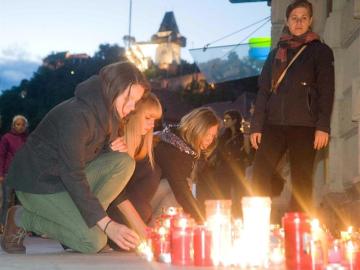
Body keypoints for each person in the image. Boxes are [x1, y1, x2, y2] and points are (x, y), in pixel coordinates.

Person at [1, 61, 150, 254]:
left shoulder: (109, 116)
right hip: (37, 184)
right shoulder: (77, 115)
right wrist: (107, 225)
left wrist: (110, 150)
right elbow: (72, 173)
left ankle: (85, 223)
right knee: (94, 242)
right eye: (128, 98)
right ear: (111, 89)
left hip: (62, 180)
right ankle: (22, 217)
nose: (131, 107)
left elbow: (91, 158)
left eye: (135, 102)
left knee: (123, 162)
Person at [250, 0, 335, 216]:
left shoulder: (320, 51)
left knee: (301, 181)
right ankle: (258, 224)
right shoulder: (275, 53)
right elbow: (263, 91)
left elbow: (327, 91)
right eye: (294, 18)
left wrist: (322, 126)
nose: (298, 22)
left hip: (304, 125)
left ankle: (298, 231)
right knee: (259, 174)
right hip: (273, 124)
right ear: (287, 21)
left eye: (303, 18)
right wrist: (256, 126)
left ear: (310, 21)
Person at [107, 93, 163, 240]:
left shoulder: (143, 147)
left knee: (163, 180)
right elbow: (115, 193)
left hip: (137, 213)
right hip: (112, 213)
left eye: (154, 120)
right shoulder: (116, 143)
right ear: (133, 115)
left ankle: (158, 234)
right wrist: (141, 229)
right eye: (147, 118)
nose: (152, 125)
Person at [0, 115, 29, 230]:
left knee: (22, 201)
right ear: (13, 125)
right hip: (8, 173)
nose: (20, 127)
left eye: (23, 124)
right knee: (6, 200)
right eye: (18, 124)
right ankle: (3, 225)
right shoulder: (6, 137)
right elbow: (1, 156)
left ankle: (19, 226)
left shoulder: (27, 139)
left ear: (25, 126)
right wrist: (0, 173)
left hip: (22, 175)